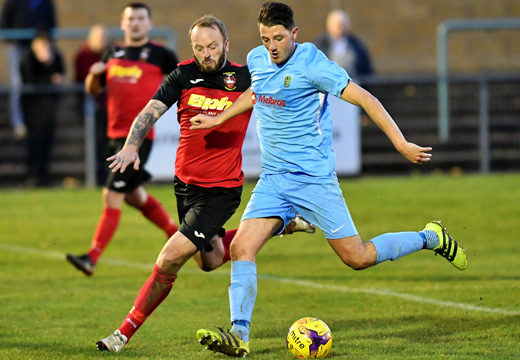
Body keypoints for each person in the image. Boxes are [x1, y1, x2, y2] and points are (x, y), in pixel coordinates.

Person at [190, 2, 468, 357]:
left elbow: (365, 98)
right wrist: (218, 119)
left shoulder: (313, 64)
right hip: (274, 179)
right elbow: (255, 92)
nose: (271, 46)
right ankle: (239, 335)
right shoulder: (257, 59)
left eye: (278, 38)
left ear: (294, 33)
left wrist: (400, 142)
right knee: (242, 247)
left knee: (358, 257)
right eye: (265, 39)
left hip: (314, 180)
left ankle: (431, 237)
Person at [94, 14, 314, 352]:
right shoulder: (183, 74)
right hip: (186, 186)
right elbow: (150, 111)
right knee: (211, 260)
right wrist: (131, 145)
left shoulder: (245, 77)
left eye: (212, 47)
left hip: (221, 189)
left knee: (169, 258)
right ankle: (279, 224)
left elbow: (284, 88)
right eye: (199, 48)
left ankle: (122, 334)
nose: (206, 54)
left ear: (226, 44)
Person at [66, 2, 180, 276]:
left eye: (141, 18)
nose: (136, 23)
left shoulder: (161, 54)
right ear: (124, 23)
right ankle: (179, 236)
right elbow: (93, 90)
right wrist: (93, 76)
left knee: (112, 194)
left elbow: (182, 83)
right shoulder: (112, 53)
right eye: (131, 18)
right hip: (115, 136)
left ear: (149, 24)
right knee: (134, 196)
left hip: (139, 138)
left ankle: (91, 257)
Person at [0, 0, 57, 140]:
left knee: (42, 81)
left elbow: (51, 24)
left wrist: (42, 42)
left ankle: (42, 120)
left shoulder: (45, 2)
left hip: (39, 46)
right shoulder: (13, 2)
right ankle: (19, 122)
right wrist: (14, 38)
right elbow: (4, 24)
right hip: (17, 47)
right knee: (17, 84)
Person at [19, 31, 65, 187]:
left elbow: (60, 75)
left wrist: (49, 63)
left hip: (49, 108)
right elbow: (29, 79)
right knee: (34, 142)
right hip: (32, 108)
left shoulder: (55, 56)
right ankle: (32, 175)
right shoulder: (27, 58)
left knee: (47, 141)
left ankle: (44, 175)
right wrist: (47, 73)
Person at [74, 24, 111, 185]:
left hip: (110, 108)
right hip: (92, 108)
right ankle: (95, 177)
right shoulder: (83, 56)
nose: (102, 41)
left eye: (104, 38)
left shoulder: (113, 55)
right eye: (98, 38)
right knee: (95, 145)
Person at [313, 9, 373, 80]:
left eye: (344, 25)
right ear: (329, 26)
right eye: (339, 25)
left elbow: (366, 68)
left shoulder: (356, 45)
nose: (342, 28)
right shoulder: (321, 45)